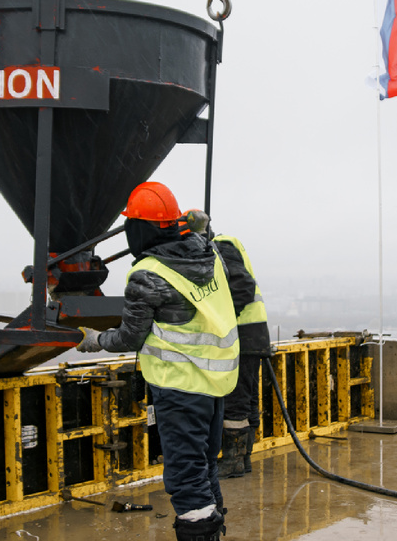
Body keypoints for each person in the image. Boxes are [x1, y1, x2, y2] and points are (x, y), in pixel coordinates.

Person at [76, 182, 239, 541]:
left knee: (185, 476)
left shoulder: (148, 274)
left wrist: (94, 341)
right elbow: (204, 237)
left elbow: (130, 336)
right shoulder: (205, 253)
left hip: (180, 388)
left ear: (138, 229)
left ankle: (201, 534)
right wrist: (201, 226)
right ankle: (214, 529)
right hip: (214, 383)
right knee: (204, 465)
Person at [179, 209, 273, 479]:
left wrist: (219, 318)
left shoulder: (220, 248)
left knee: (235, 401)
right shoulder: (222, 247)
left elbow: (242, 287)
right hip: (250, 335)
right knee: (246, 400)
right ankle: (243, 460)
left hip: (241, 336)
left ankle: (233, 462)